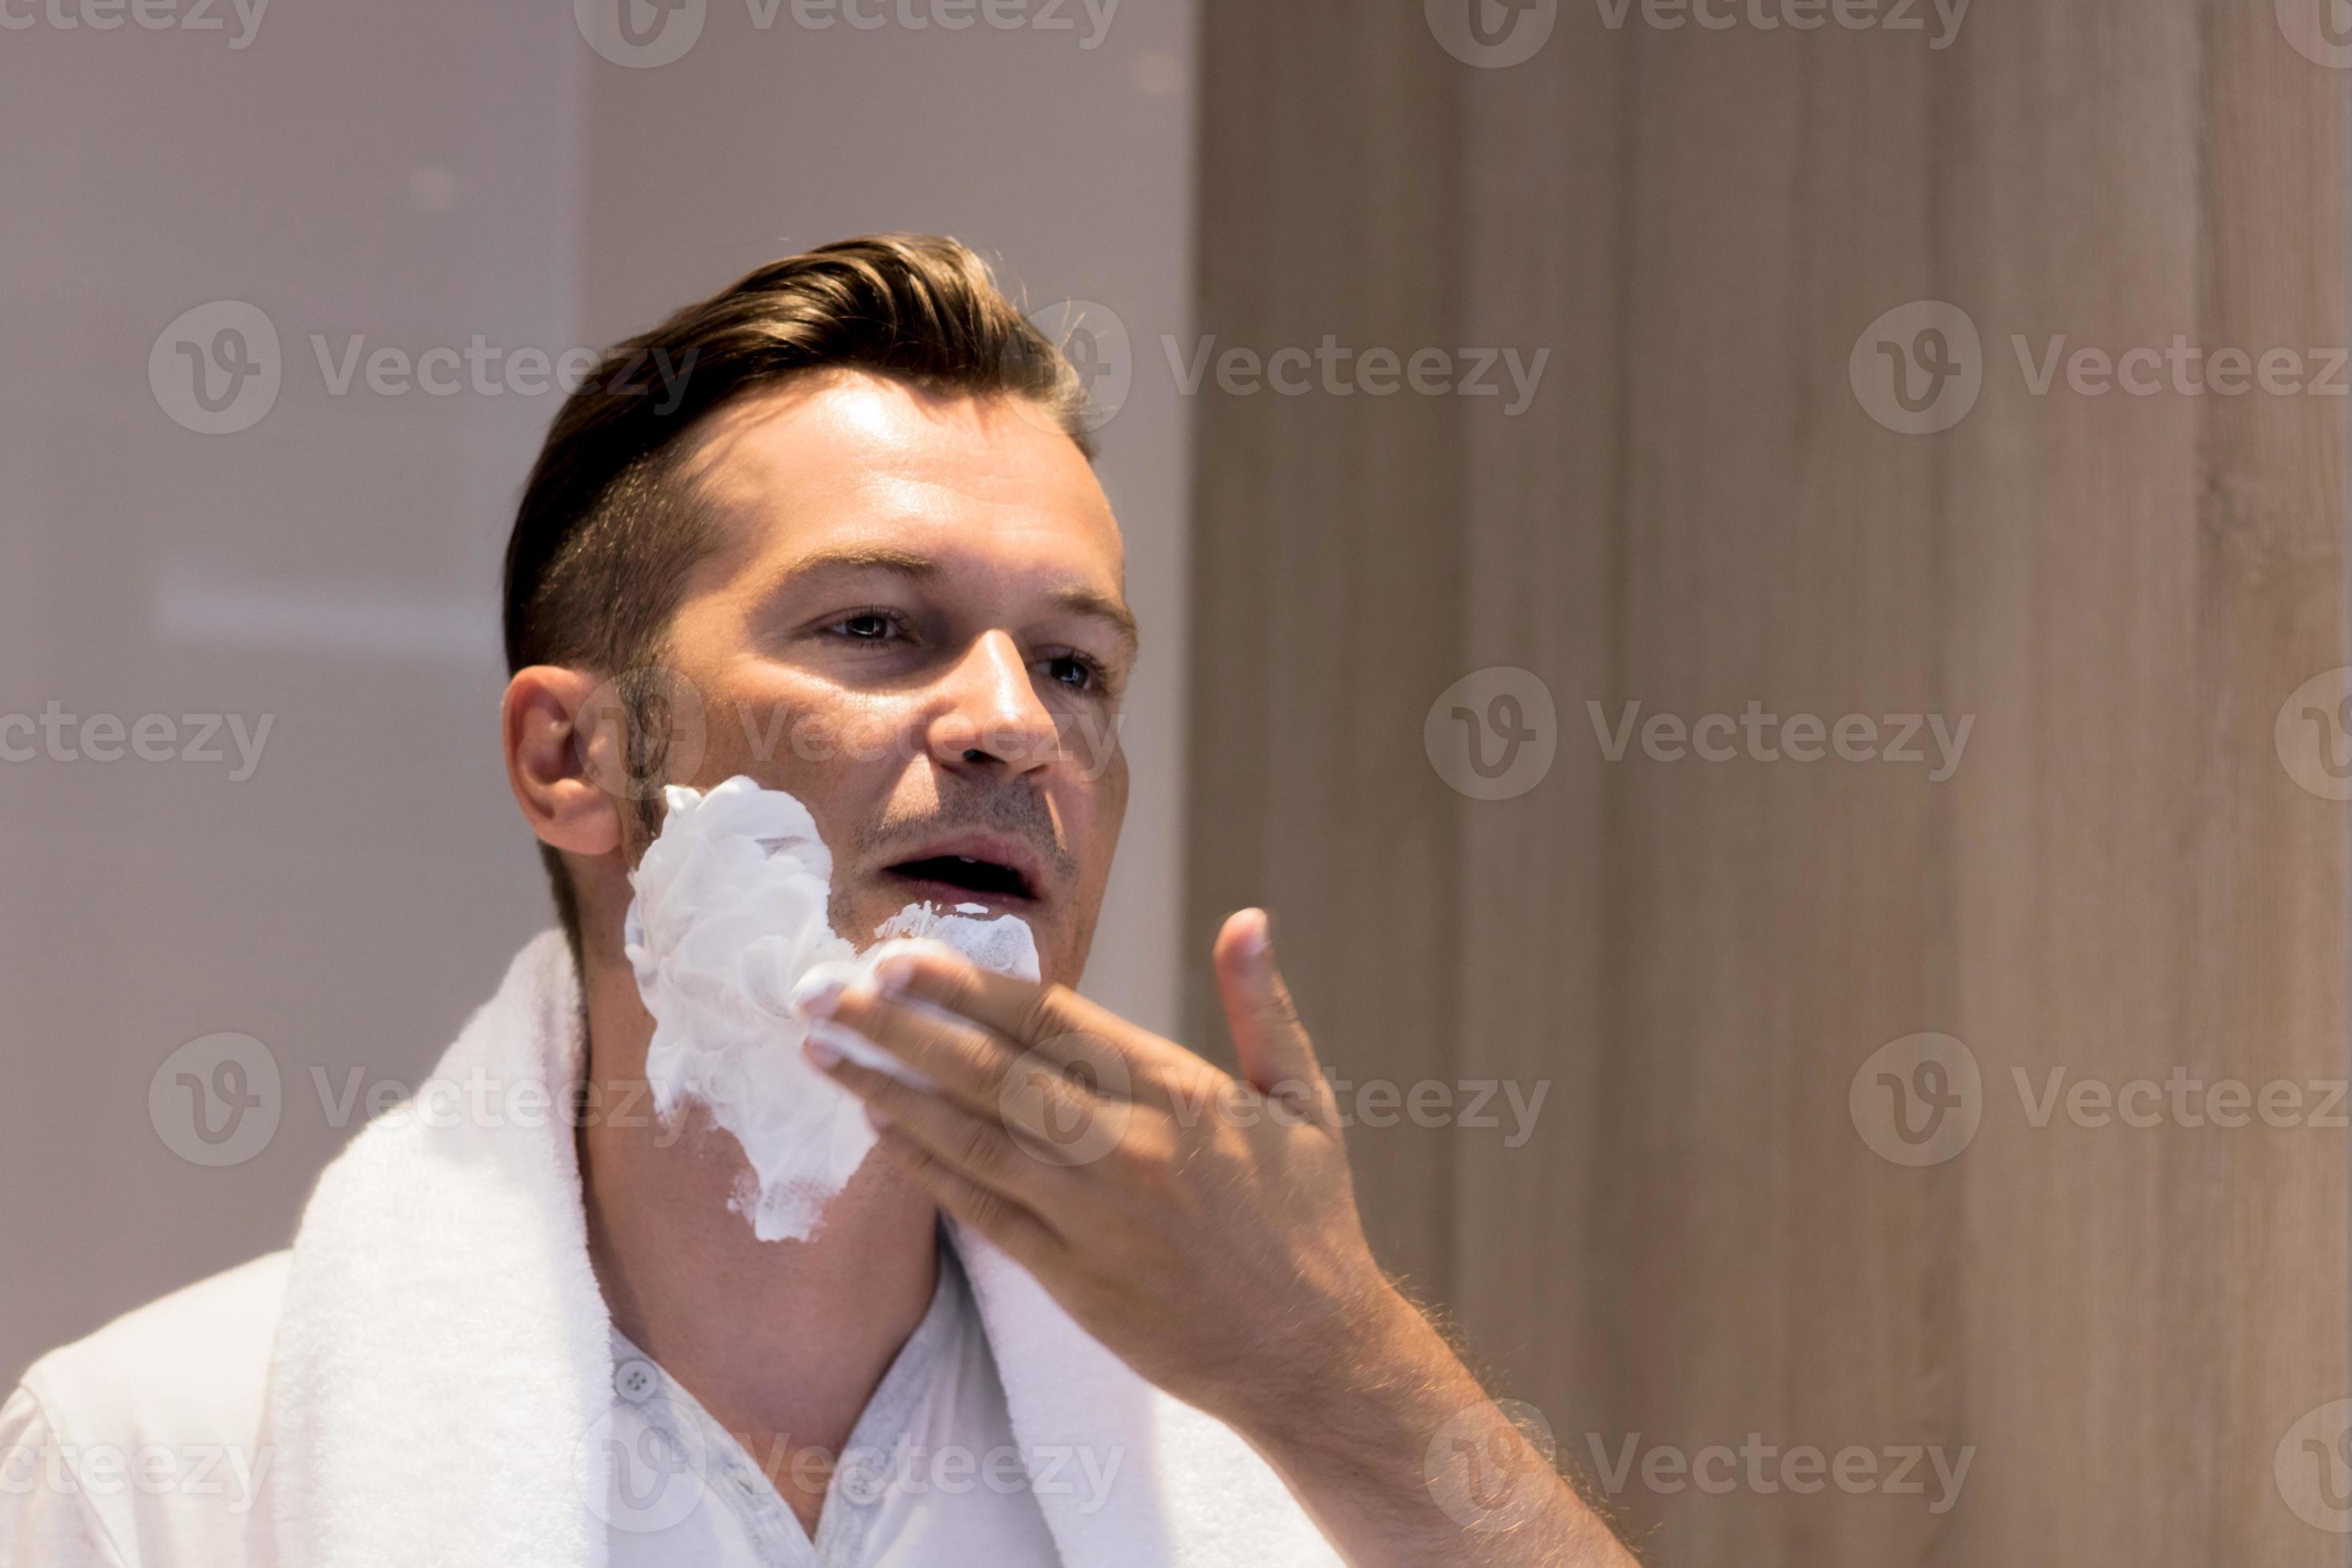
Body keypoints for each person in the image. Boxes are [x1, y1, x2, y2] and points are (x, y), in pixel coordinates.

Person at [1, 235, 1631, 1567]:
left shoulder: (1280, 1465)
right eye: (875, 626)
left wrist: (1336, 1358)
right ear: (573, 753)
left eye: (1076, 664)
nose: (1016, 718)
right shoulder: (164, 1469)